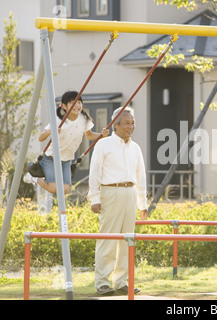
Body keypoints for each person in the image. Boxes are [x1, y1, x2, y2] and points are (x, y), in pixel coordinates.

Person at [88, 106, 148, 296]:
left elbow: (141, 176)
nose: (131, 127)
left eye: (133, 123)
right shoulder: (103, 144)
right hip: (110, 192)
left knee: (127, 238)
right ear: (115, 125)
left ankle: (121, 281)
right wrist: (94, 198)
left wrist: (143, 204)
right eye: (127, 123)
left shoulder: (136, 147)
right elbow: (94, 173)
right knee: (108, 238)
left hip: (130, 193)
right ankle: (102, 282)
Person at [24, 91, 108, 194]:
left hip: (66, 159)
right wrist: (52, 130)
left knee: (65, 190)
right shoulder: (59, 120)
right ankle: (34, 178)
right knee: (53, 188)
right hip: (51, 158)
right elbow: (41, 138)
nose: (77, 105)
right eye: (73, 102)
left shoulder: (84, 118)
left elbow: (89, 135)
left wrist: (101, 135)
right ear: (64, 106)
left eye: (79, 102)